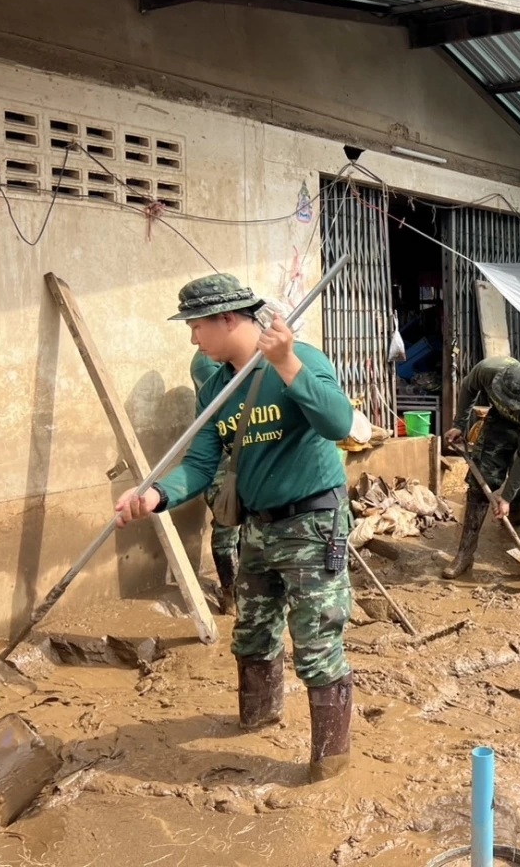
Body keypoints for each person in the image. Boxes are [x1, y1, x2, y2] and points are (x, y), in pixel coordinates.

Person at [115, 273, 357, 782]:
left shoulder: (302, 359)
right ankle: (259, 720)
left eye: (196, 326)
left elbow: (339, 424)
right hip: (257, 529)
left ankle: (329, 769)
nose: (193, 339)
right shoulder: (215, 387)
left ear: (227, 319)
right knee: (251, 635)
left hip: (313, 522)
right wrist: (155, 495)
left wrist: (287, 363)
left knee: (316, 645)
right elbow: (200, 465)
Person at [441, 356, 520, 578]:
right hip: (500, 421)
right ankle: (465, 555)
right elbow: (468, 388)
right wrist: (459, 424)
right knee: (480, 481)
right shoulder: (487, 370)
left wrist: (507, 497)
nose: (514, 407)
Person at [191, 352, 237, 615]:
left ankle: (244, 591)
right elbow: (233, 401)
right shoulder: (207, 363)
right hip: (220, 465)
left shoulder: (226, 361)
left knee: (245, 526)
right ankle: (230, 595)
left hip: (237, 462)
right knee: (226, 525)